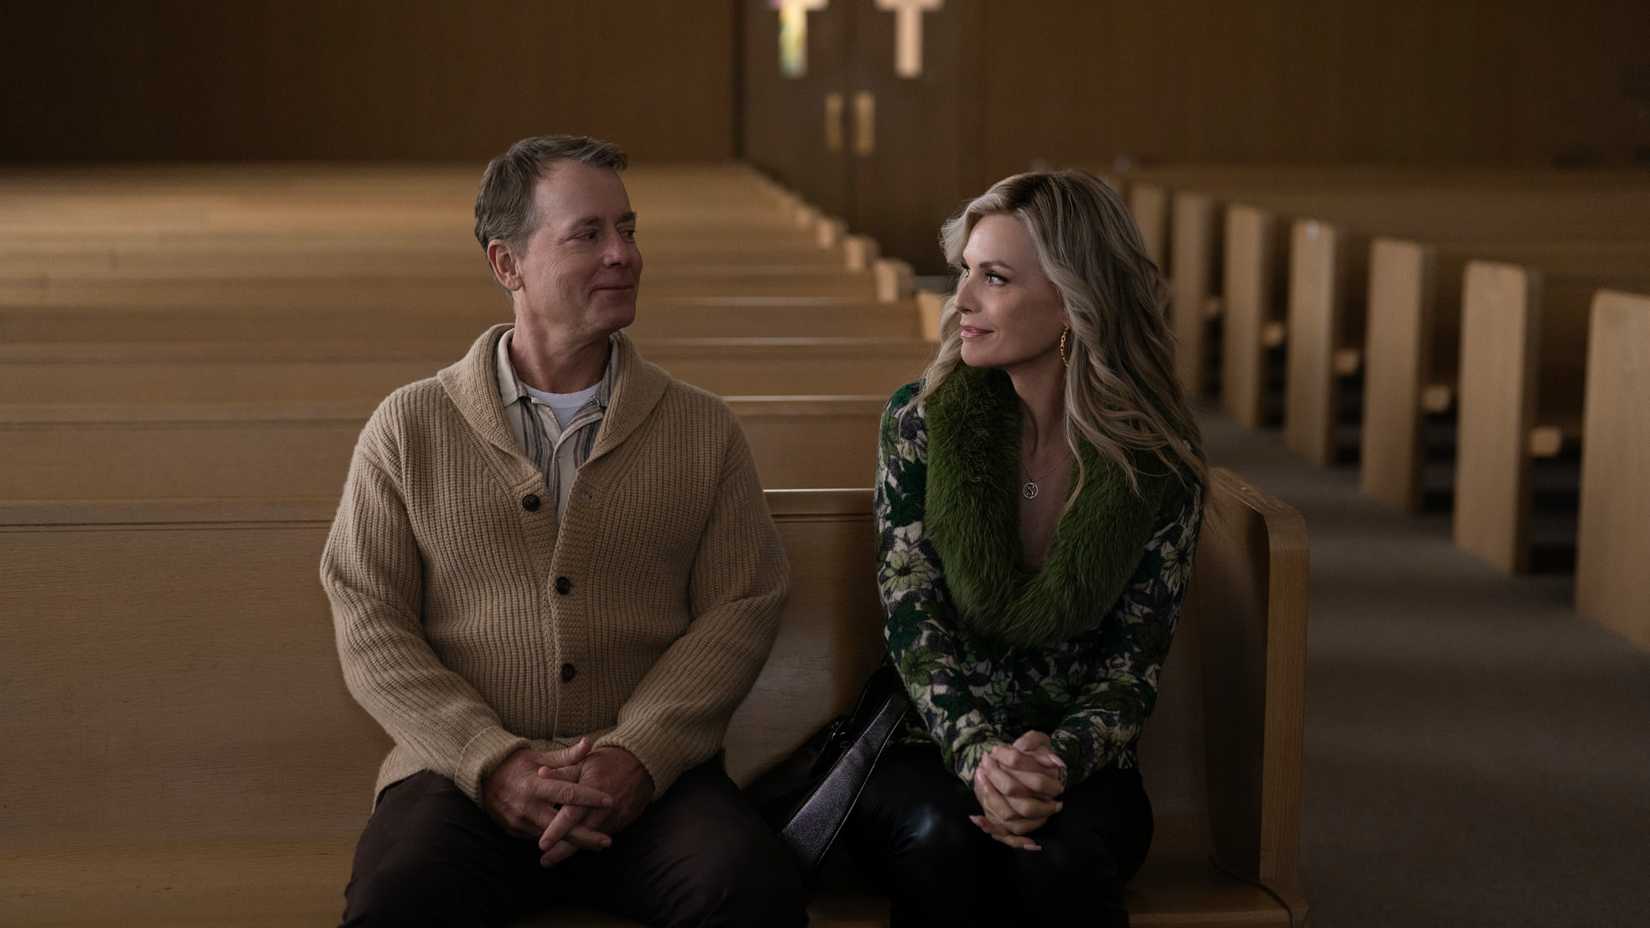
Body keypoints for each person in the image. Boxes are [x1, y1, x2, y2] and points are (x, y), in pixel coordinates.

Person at [320, 134, 806, 927]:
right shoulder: (410, 425)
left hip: (653, 779)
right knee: (396, 901)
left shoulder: (700, 427)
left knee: (748, 892)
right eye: (589, 234)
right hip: (460, 779)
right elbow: (367, 615)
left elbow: (742, 605)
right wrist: (493, 761)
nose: (624, 254)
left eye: (629, 228)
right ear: (506, 264)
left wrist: (635, 755)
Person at [846, 170, 1208, 927]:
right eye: (965, 274)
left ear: (1076, 302)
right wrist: (981, 756)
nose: (962, 303)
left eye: (996, 278)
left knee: (1061, 857)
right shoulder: (922, 420)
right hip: (930, 739)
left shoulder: (1156, 460)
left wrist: (1050, 764)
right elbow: (913, 619)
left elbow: (1132, 666)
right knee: (943, 843)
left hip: (1082, 762)